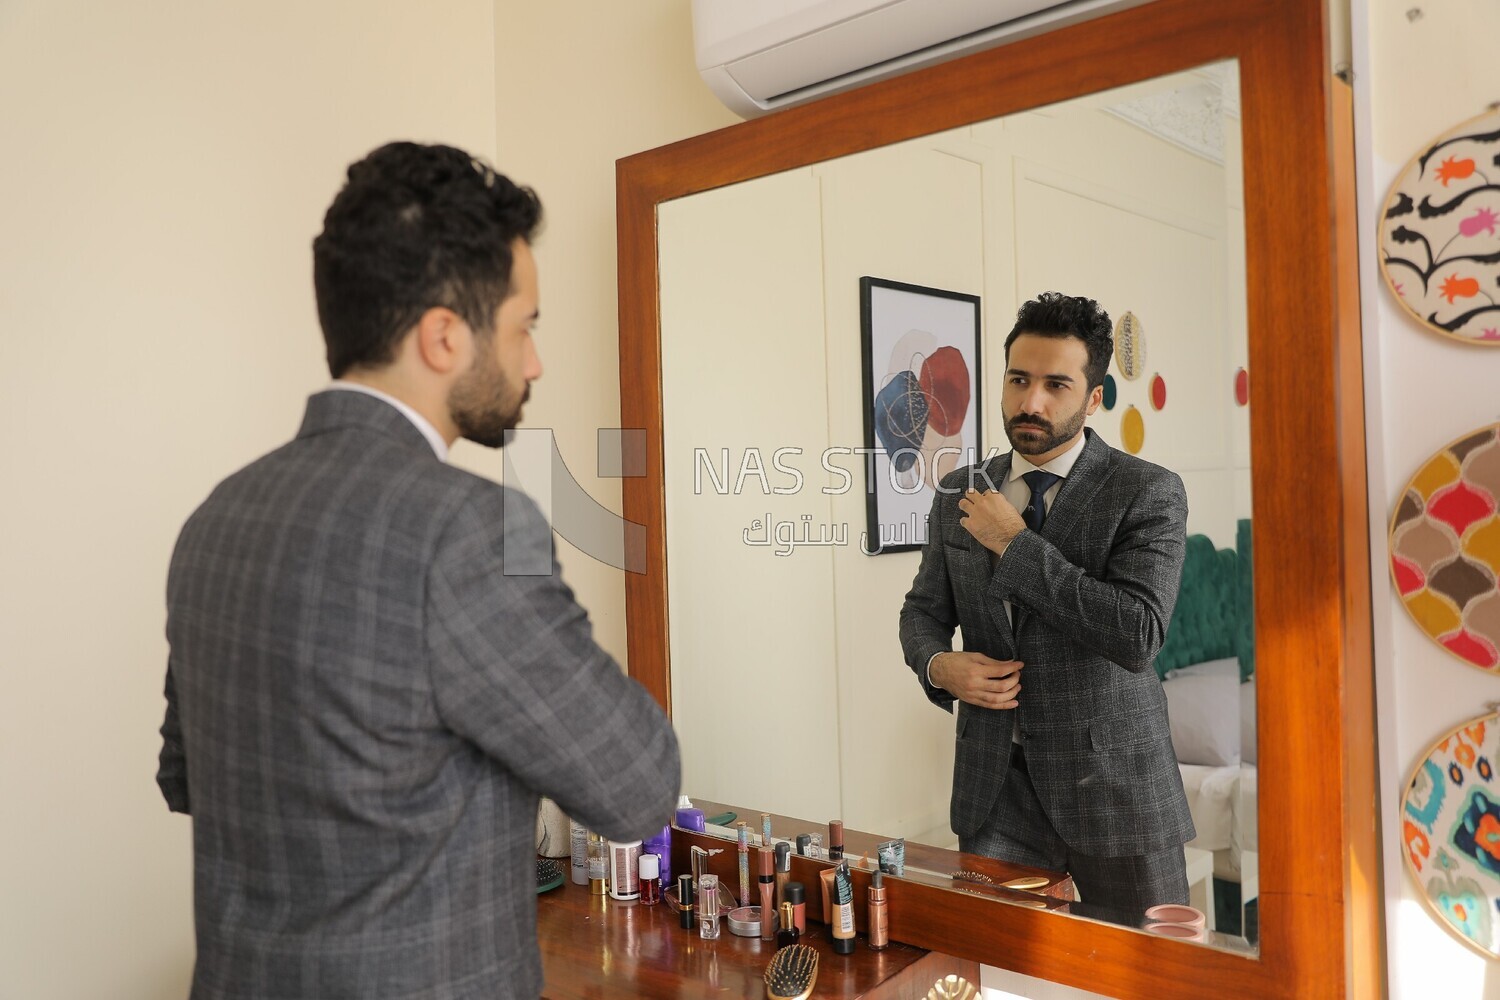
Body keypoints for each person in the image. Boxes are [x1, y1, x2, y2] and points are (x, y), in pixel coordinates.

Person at [156, 142, 680, 999]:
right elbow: (636, 787)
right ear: (444, 336)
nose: (535, 362)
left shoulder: (215, 518)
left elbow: (190, 778)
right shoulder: (466, 533)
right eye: (526, 327)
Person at [898, 291, 1193, 914]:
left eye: (1056, 384)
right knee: (997, 972)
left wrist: (1014, 543)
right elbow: (922, 612)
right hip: (994, 790)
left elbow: (1137, 633)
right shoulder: (959, 489)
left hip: (1119, 791)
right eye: (1018, 379)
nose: (1030, 402)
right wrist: (937, 667)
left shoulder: (1148, 492)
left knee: (1148, 980)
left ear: (1093, 399)